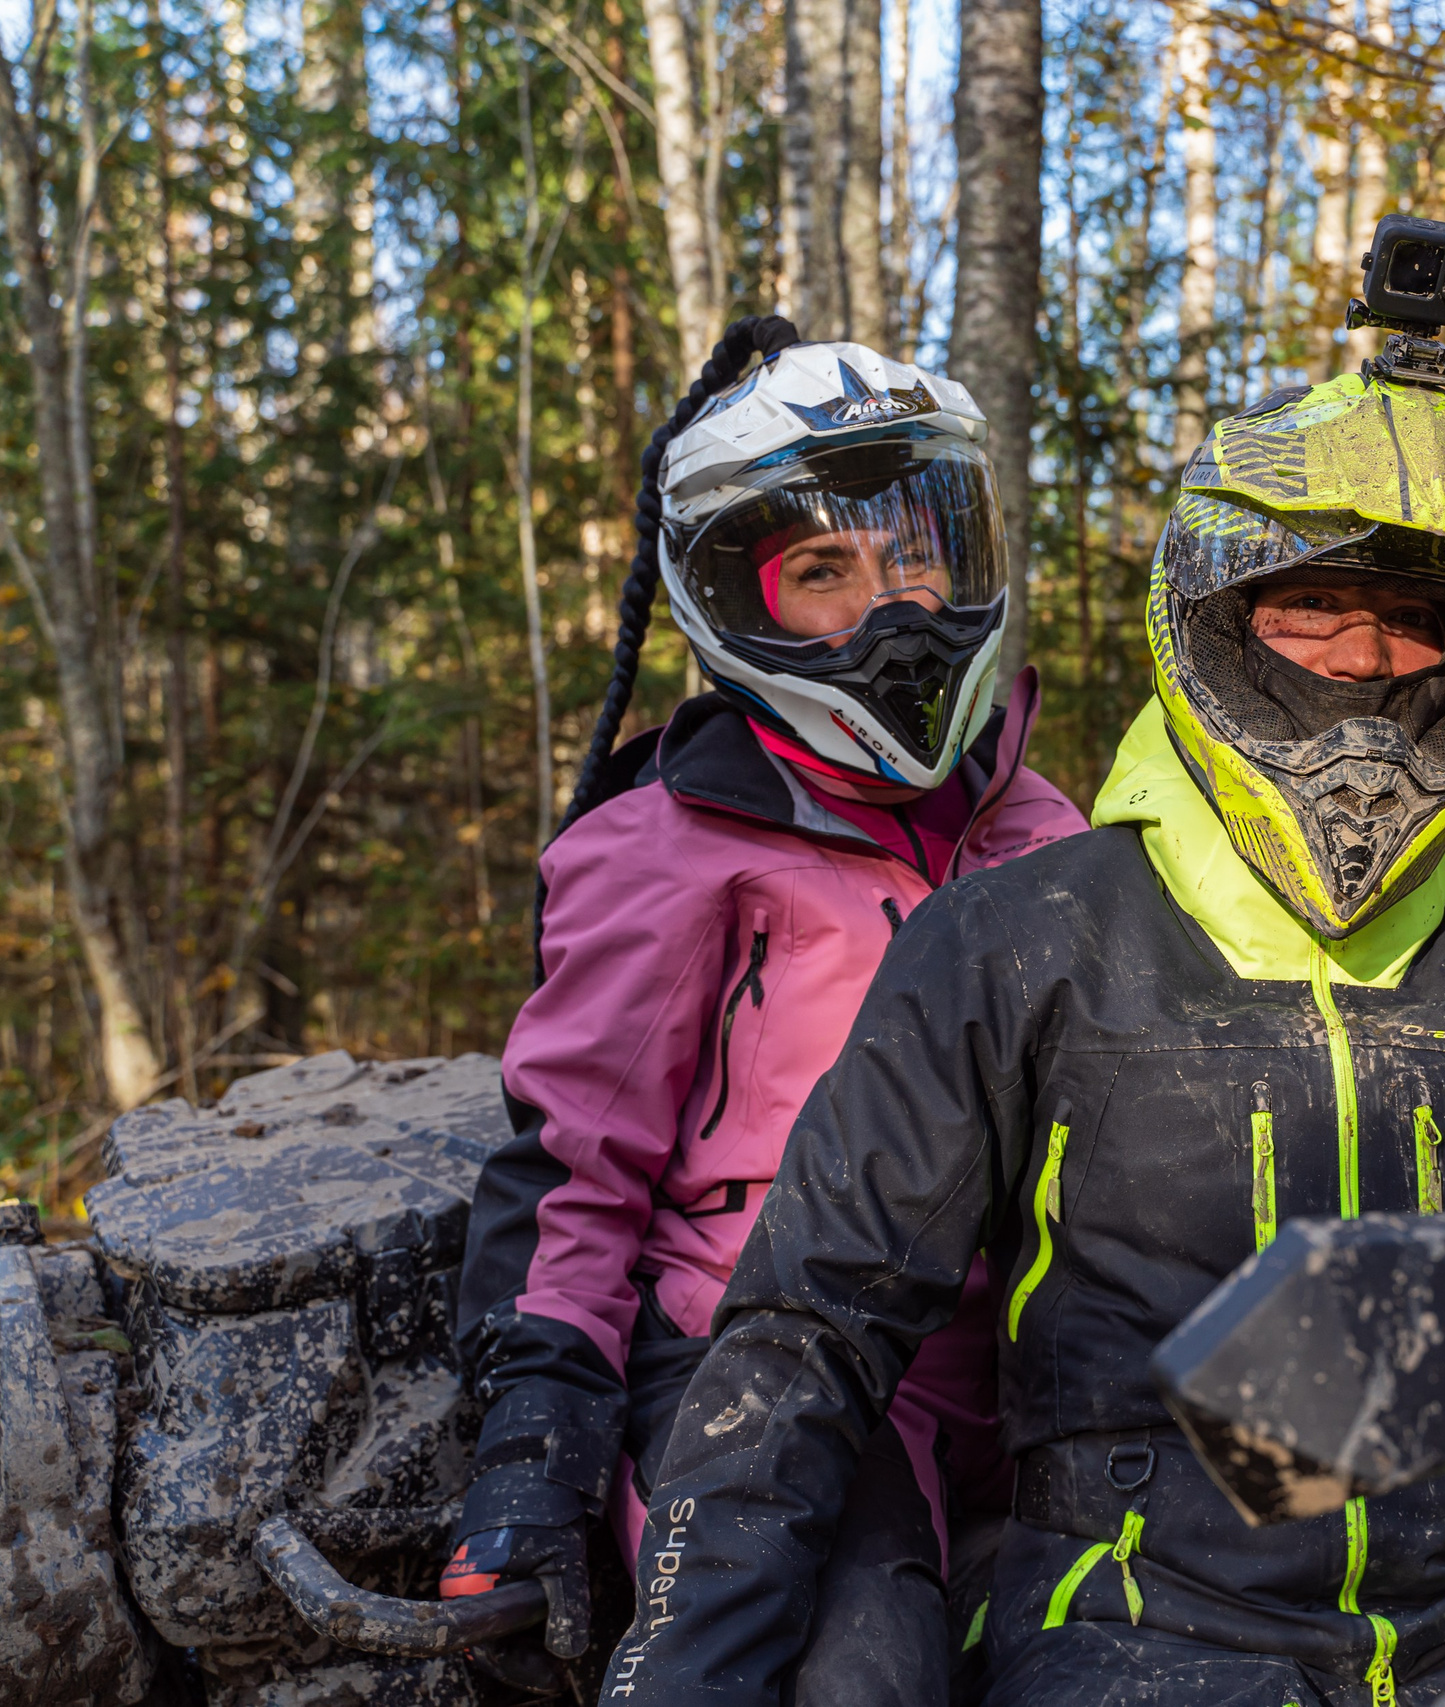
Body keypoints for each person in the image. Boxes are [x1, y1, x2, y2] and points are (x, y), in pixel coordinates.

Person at [607, 367, 1445, 1707]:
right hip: (1135, 1621)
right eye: (1316, 606)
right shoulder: (1013, 942)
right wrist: (686, 1663)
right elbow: (813, 1327)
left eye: (1413, 621)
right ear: (1224, 616)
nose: (1364, 659)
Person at [441, 314, 1088, 1698]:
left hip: (1017, 1359)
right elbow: (570, 1162)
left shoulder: (1040, 827)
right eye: (824, 573)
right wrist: (534, 1441)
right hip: (756, 1349)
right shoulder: (668, 841)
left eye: (919, 555)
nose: (893, 606)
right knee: (856, 1676)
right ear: (739, 599)